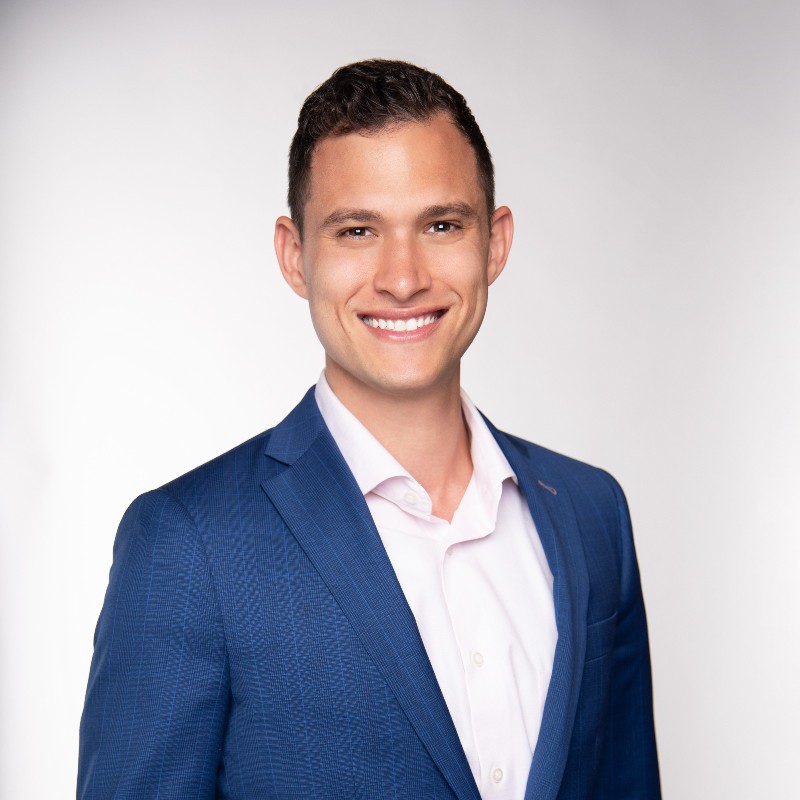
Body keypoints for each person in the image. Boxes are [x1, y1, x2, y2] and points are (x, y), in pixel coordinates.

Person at [78, 59, 660, 800]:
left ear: (495, 242)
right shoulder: (188, 543)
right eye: (357, 230)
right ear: (296, 256)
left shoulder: (591, 512)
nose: (403, 275)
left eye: (441, 224)